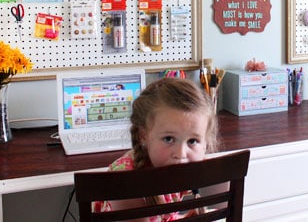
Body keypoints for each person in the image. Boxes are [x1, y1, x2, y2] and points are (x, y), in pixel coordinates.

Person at [93, 78, 219, 220]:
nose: (181, 154)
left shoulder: (173, 168)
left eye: (192, 141)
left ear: (205, 144)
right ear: (143, 136)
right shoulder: (125, 182)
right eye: (168, 139)